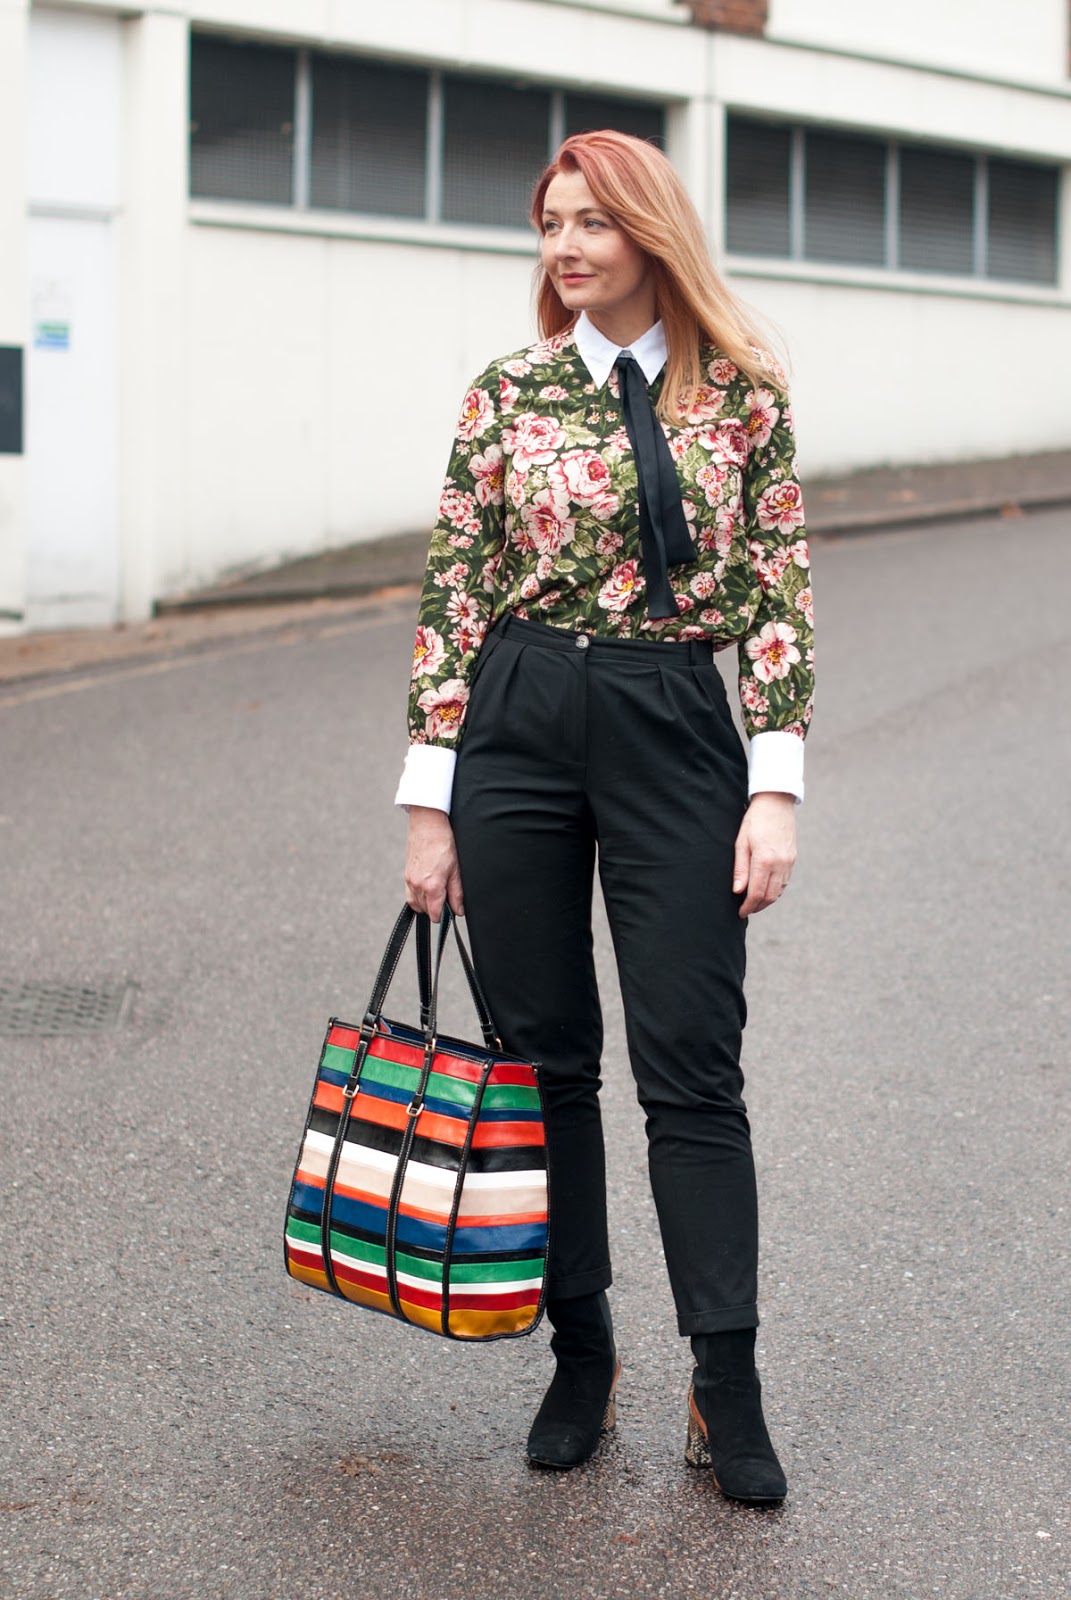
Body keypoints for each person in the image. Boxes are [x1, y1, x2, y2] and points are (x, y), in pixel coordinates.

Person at [396, 130, 813, 1504]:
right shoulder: (503, 396)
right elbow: (454, 598)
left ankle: (726, 1383)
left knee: (692, 1062)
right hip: (517, 723)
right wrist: (430, 807)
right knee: (543, 1062)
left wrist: (775, 786)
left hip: (673, 723)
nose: (567, 247)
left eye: (592, 222)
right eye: (550, 224)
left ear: (649, 232)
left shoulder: (739, 398)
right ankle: (584, 1355)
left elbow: (777, 600)